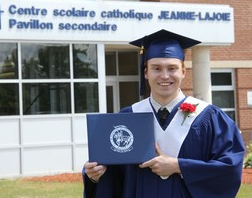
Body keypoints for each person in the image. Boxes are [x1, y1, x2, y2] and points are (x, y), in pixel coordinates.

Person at [82, 29, 245, 198]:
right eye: (156, 68)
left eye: (172, 68)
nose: (165, 75)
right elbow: (113, 175)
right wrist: (94, 176)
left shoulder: (209, 117)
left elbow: (229, 168)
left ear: (183, 71)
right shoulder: (128, 117)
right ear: (146, 72)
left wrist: (179, 166)